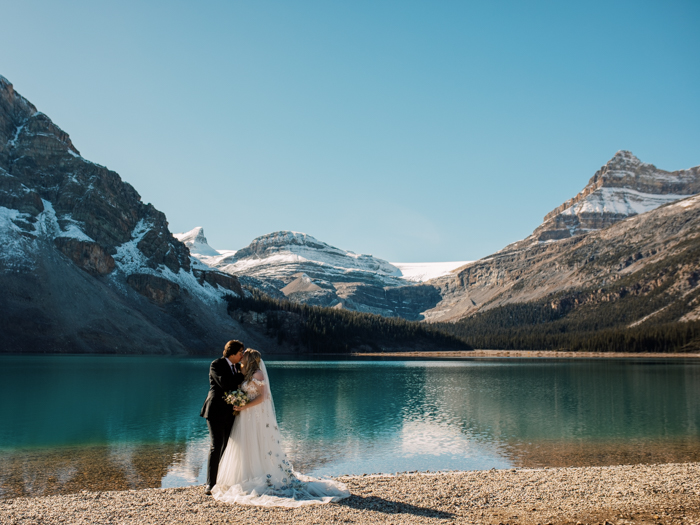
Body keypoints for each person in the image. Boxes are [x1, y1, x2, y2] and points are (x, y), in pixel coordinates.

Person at [212, 349, 350, 507]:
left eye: (245, 356)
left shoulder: (258, 374)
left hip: (253, 415)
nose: (242, 357)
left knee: (257, 443)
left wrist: (245, 406)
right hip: (245, 417)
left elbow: (263, 397)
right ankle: (245, 476)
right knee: (246, 444)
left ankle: (259, 475)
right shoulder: (246, 373)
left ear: (250, 359)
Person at [201, 339, 245, 495]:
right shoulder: (216, 365)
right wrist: (242, 375)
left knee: (226, 446)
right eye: (240, 353)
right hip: (215, 412)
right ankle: (210, 484)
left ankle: (222, 479)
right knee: (216, 446)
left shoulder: (238, 367)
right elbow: (225, 384)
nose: (242, 356)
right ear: (232, 353)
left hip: (231, 413)